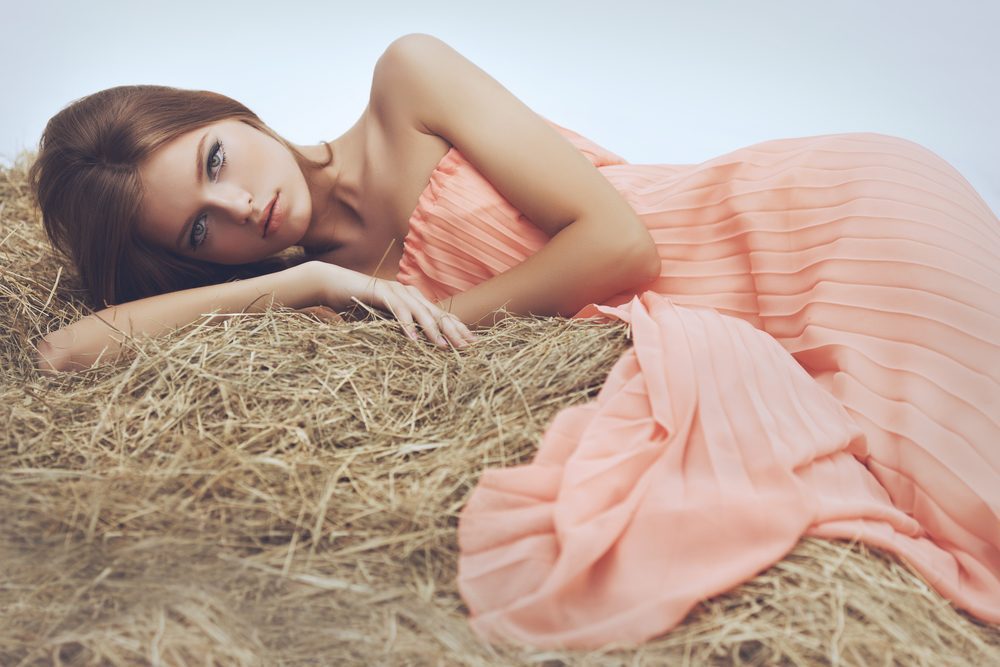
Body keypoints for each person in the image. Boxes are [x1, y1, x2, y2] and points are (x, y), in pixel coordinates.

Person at [30, 34, 999, 648]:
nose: (243, 203)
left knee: (973, 505)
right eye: (203, 227)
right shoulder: (314, 301)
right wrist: (306, 280)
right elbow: (60, 354)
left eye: (215, 159)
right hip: (745, 322)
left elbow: (620, 243)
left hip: (814, 226)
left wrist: (439, 314)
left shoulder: (407, 81)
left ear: (229, 115)